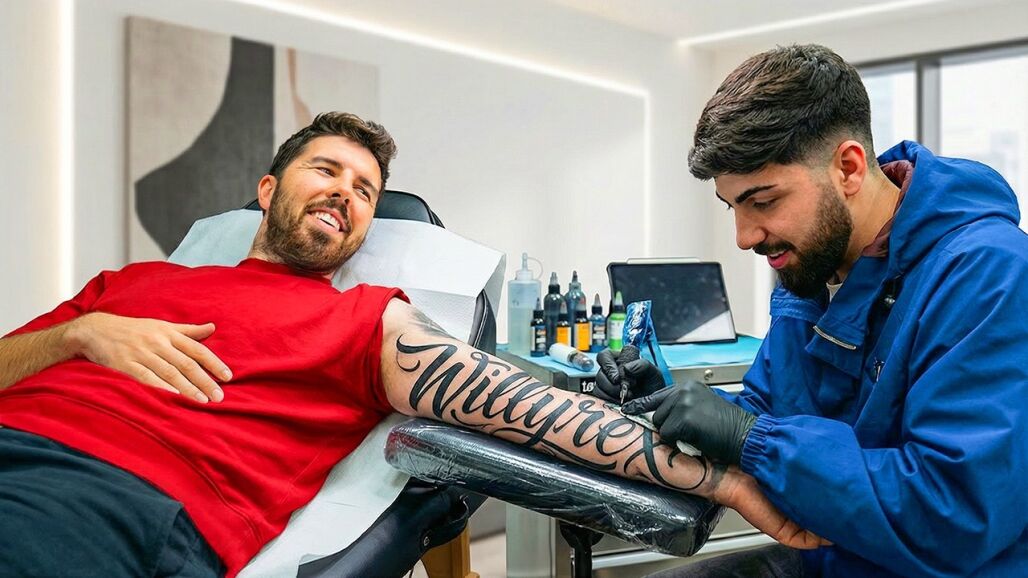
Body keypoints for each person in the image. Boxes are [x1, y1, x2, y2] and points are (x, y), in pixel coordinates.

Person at [0, 112, 825, 577]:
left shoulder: (360, 317)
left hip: (110, 498)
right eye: (326, 170)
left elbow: (525, 406)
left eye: (365, 190)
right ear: (269, 188)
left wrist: (726, 478)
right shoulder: (129, 284)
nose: (345, 194)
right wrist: (79, 332)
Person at [595, 44, 1028, 577]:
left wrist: (749, 439)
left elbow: (955, 513)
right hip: (837, 553)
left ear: (848, 168)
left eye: (763, 201)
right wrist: (676, 407)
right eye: (733, 207)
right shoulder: (810, 273)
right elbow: (770, 411)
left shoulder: (989, 273)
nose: (744, 237)